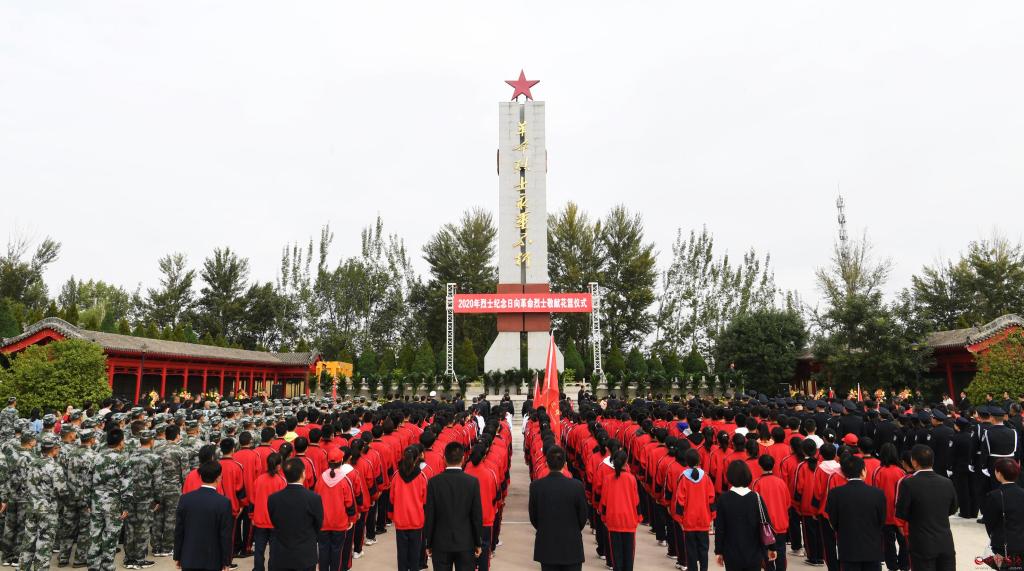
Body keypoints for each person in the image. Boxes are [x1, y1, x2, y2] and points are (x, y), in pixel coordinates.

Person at [894, 445, 958, 571]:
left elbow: (901, 512)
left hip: (921, 543)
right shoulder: (947, 482)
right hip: (945, 541)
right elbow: (953, 508)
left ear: (914, 462)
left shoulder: (908, 483)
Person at [424, 441, 483, 571]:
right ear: (463, 459)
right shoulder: (472, 482)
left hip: (441, 542)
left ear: (444, 459)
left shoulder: (434, 482)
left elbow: (430, 515)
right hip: (465, 542)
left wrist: (428, 542)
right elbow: (476, 516)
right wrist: (478, 542)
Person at [528, 445, 587, 571]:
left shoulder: (536, 487)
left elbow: (534, 517)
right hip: (571, 545)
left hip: (547, 544)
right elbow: (582, 517)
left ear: (547, 463)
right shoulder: (576, 486)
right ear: (565, 464)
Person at [825, 455, 886, 571]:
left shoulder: (835, 493)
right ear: (863, 471)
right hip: (872, 548)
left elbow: (832, 521)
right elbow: (882, 520)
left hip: (848, 547)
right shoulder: (877, 493)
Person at [714, 460, 776, 571]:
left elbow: (720, 528)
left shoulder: (723, 499)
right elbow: (766, 523)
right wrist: (772, 547)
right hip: (754, 553)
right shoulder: (756, 497)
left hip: (731, 554)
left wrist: (718, 551)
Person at [173, 461, 233, 571]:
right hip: (213, 560)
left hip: (189, 558)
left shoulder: (185, 499)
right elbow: (225, 535)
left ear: (200, 477)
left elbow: (179, 531)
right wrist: (226, 560)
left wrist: (177, 555)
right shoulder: (224, 503)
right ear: (219, 477)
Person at [267, 458, 325, 571]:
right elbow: (319, 524)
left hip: (281, 554)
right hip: (305, 554)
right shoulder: (313, 498)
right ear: (303, 473)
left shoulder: (273, 499)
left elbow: (274, 521)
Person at [672, 448, 715, 571]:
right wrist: (712, 517)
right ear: (699, 461)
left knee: (690, 551)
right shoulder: (706, 477)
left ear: (686, 462)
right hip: (703, 519)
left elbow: (680, 500)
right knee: (704, 550)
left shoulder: (683, 478)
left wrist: (679, 519)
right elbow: (711, 498)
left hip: (688, 521)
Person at [315, 448, 357, 571]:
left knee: (323, 551)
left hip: (323, 522)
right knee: (337, 551)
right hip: (339, 523)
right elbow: (350, 503)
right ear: (342, 460)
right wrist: (352, 518)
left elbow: (315, 499)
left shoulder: (321, 479)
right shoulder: (344, 480)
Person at [599, 450, 640, 571]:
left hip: (613, 520)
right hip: (629, 520)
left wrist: (604, 518)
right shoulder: (631, 479)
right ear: (626, 462)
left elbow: (604, 502)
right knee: (628, 557)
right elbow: (636, 501)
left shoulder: (607, 479)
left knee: (616, 558)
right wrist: (639, 517)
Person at [390, 445, 429, 571]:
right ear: (417, 458)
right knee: (415, 554)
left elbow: (391, 498)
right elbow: (425, 501)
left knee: (402, 554)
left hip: (400, 520)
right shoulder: (422, 477)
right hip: (416, 520)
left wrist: (392, 515)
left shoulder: (396, 476)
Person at [981, 459, 1024, 570]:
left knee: (1003, 568)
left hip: (1001, 546)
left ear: (999, 473)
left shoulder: (994, 496)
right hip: (1022, 545)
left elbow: (989, 523)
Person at [251, 453, 286, 571]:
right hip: (275, 522)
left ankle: (258, 569)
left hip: (259, 520)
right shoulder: (281, 481)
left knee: (259, 550)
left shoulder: (259, 480)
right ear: (278, 466)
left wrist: (252, 516)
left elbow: (252, 500)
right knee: (274, 551)